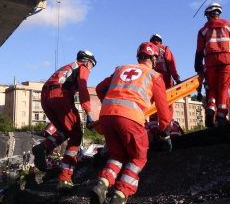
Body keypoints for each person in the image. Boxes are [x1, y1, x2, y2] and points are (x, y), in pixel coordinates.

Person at [90, 42, 172, 204]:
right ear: (154, 58)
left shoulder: (121, 69)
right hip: (130, 118)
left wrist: (111, 104)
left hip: (106, 116)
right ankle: (120, 195)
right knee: (138, 157)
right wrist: (165, 134)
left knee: (117, 154)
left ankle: (102, 184)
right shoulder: (155, 76)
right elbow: (163, 109)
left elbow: (100, 88)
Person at [32, 50, 97, 192]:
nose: (90, 70)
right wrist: (88, 113)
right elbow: (83, 88)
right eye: (92, 66)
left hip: (45, 96)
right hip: (60, 96)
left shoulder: (67, 67)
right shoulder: (83, 67)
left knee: (65, 130)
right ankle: (65, 178)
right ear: (88, 62)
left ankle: (43, 147)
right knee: (76, 135)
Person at [195, 3, 230, 127]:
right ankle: (221, 116)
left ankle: (210, 109)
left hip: (210, 63)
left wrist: (198, 68)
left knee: (213, 89)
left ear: (209, 15)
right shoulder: (227, 26)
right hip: (226, 61)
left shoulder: (203, 31)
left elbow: (199, 51)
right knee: (223, 88)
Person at [149, 34, 181, 140]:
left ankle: (153, 130)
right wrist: (176, 78)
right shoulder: (164, 49)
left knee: (153, 105)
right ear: (160, 41)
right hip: (165, 80)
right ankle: (167, 129)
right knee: (168, 104)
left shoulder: (147, 49)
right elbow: (171, 63)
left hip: (151, 80)